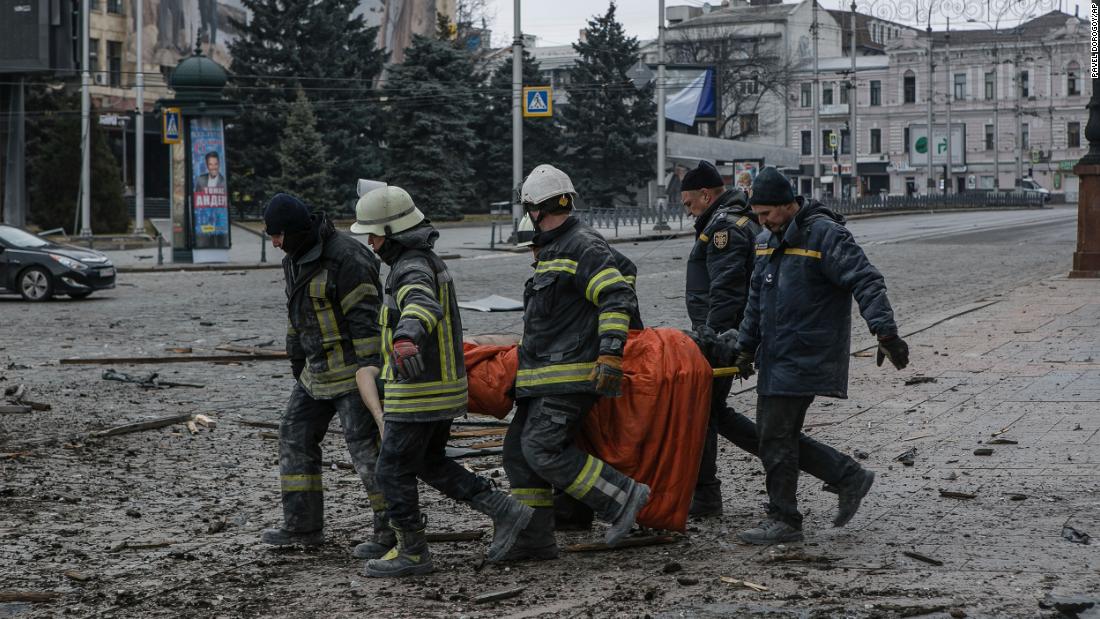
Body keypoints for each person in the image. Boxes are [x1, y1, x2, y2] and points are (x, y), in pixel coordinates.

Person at [351, 186, 532, 577]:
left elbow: (420, 304)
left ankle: (413, 552)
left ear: (392, 230)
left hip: (420, 394)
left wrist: (404, 338)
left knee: (392, 469)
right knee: (429, 463)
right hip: (441, 390)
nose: (370, 242)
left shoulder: (411, 266)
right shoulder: (419, 259)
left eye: (374, 234)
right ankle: (505, 509)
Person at [733, 167, 909, 544]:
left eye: (766, 214)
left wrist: (885, 331)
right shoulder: (766, 240)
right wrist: (745, 347)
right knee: (774, 434)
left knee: (774, 436)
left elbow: (865, 279)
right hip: (776, 355)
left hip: (806, 351)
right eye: (757, 215)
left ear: (788, 204)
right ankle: (848, 476)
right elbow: (756, 301)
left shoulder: (825, 235)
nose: (761, 222)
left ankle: (785, 519)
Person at [501, 164, 651, 561]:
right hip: (540, 376)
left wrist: (609, 351)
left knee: (541, 448)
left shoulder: (581, 245)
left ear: (534, 209)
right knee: (518, 452)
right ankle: (535, 538)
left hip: (568, 375)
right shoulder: (554, 249)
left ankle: (622, 498)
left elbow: (617, 295)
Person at [259, 193, 389, 555]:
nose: (275, 243)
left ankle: (391, 531)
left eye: (278, 235)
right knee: (293, 434)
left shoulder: (347, 257)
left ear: (297, 230)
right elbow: (296, 315)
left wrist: (372, 379)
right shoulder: (294, 258)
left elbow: (366, 324)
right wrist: (297, 362)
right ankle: (302, 528)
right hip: (315, 373)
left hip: (353, 373)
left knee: (366, 450)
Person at [679, 160, 759, 517]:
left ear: (705, 195)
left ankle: (707, 496)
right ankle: (706, 496)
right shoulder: (724, 219)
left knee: (702, 410)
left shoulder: (724, 227)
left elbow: (725, 293)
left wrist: (709, 340)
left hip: (723, 337)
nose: (687, 210)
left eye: (688, 203)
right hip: (726, 335)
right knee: (711, 412)